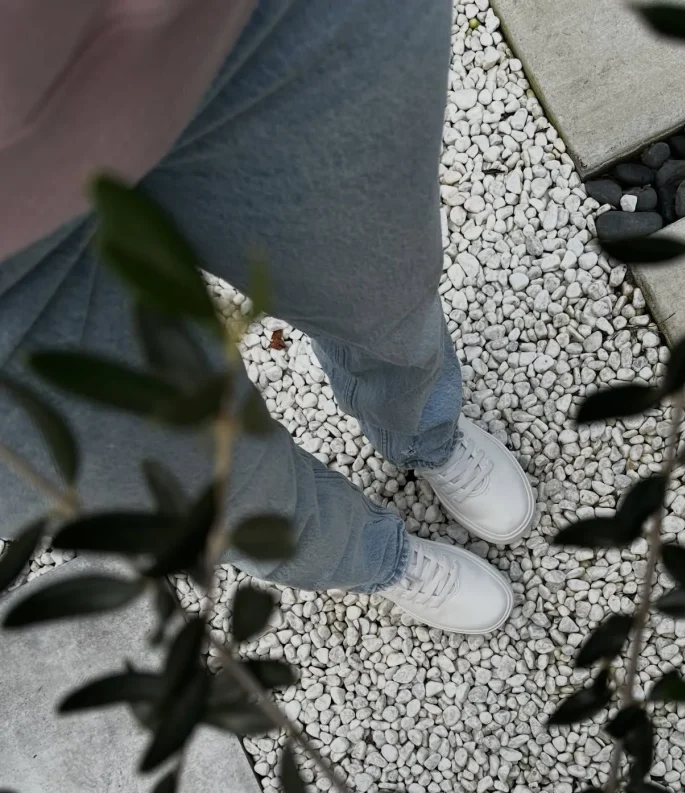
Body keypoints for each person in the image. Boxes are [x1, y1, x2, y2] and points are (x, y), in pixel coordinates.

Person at [0, 0, 535, 635]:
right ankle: (375, 560)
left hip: (231, 21)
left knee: (374, 280)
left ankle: (426, 431)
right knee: (203, 485)